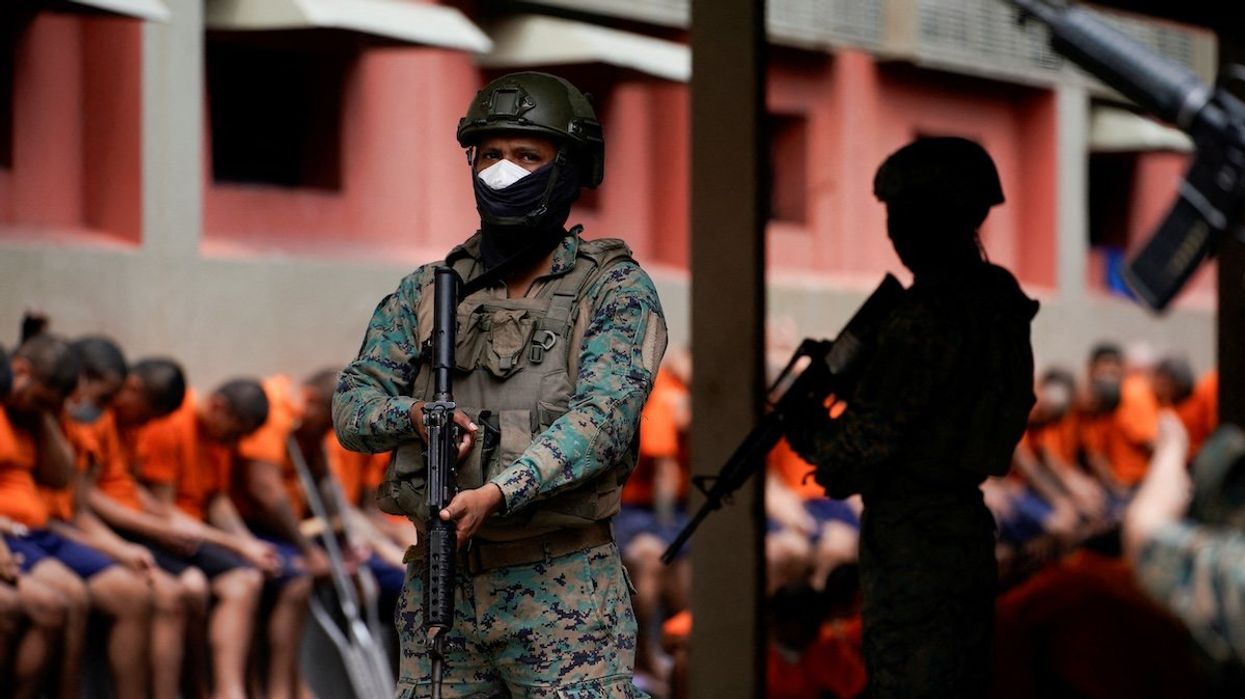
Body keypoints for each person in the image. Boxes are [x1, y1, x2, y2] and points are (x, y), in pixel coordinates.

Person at [334, 70, 667, 697]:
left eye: (526, 156)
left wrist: (496, 493)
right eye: (489, 155)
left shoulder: (614, 290)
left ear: (567, 169)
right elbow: (353, 404)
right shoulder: (429, 291)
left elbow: (602, 422)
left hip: (563, 594)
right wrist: (410, 416)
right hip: (441, 593)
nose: (502, 170)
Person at [782, 137, 1039, 698]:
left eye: (901, 215)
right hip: (961, 531)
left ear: (935, 218)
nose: (893, 231)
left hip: (914, 545)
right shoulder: (996, 298)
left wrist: (800, 422)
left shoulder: (923, 320)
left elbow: (850, 457)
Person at [1, 334, 153, 699]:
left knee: (131, 594)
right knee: (54, 602)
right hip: (18, 531)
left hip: (39, 530)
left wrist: (44, 415)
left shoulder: (39, 416)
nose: (86, 406)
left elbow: (60, 479)